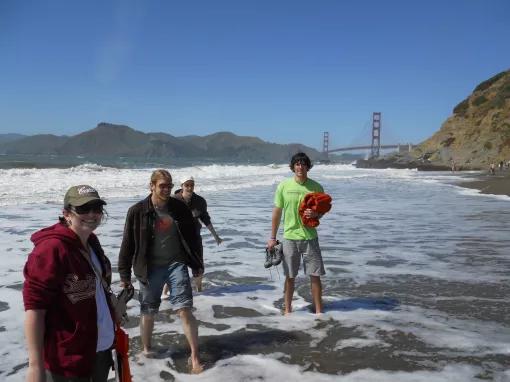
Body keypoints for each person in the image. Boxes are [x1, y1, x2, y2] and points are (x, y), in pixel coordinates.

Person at [23, 185, 114, 382]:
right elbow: (35, 310)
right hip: (67, 362)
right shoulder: (50, 250)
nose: (92, 214)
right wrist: (35, 366)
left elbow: (98, 290)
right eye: (83, 209)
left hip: (100, 351)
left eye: (97, 208)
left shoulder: (92, 242)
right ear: (66, 214)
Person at [117, 169, 204, 373]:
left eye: (169, 186)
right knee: (148, 311)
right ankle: (147, 349)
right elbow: (127, 244)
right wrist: (124, 275)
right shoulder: (137, 211)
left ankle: (194, 355)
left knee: (184, 308)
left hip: (176, 264)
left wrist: (198, 264)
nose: (166, 189)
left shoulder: (179, 208)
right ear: (152, 186)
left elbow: (192, 238)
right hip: (149, 268)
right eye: (162, 185)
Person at [267, 152, 326, 315]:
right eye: (297, 164)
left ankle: (319, 311)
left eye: (303, 163)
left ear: (308, 166)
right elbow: (277, 213)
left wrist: (316, 215)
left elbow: (323, 209)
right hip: (290, 238)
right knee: (290, 277)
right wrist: (272, 237)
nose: (300, 167)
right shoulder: (284, 186)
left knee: (315, 276)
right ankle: (287, 310)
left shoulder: (316, 187)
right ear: (293, 167)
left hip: (310, 237)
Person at [168, 175, 222, 292]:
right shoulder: (173, 200)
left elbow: (205, 219)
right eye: (187, 185)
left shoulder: (200, 201)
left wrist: (215, 236)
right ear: (182, 186)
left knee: (198, 266)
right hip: (177, 239)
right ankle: (165, 292)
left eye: (191, 185)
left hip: (194, 238)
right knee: (174, 266)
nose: (189, 188)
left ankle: (199, 289)